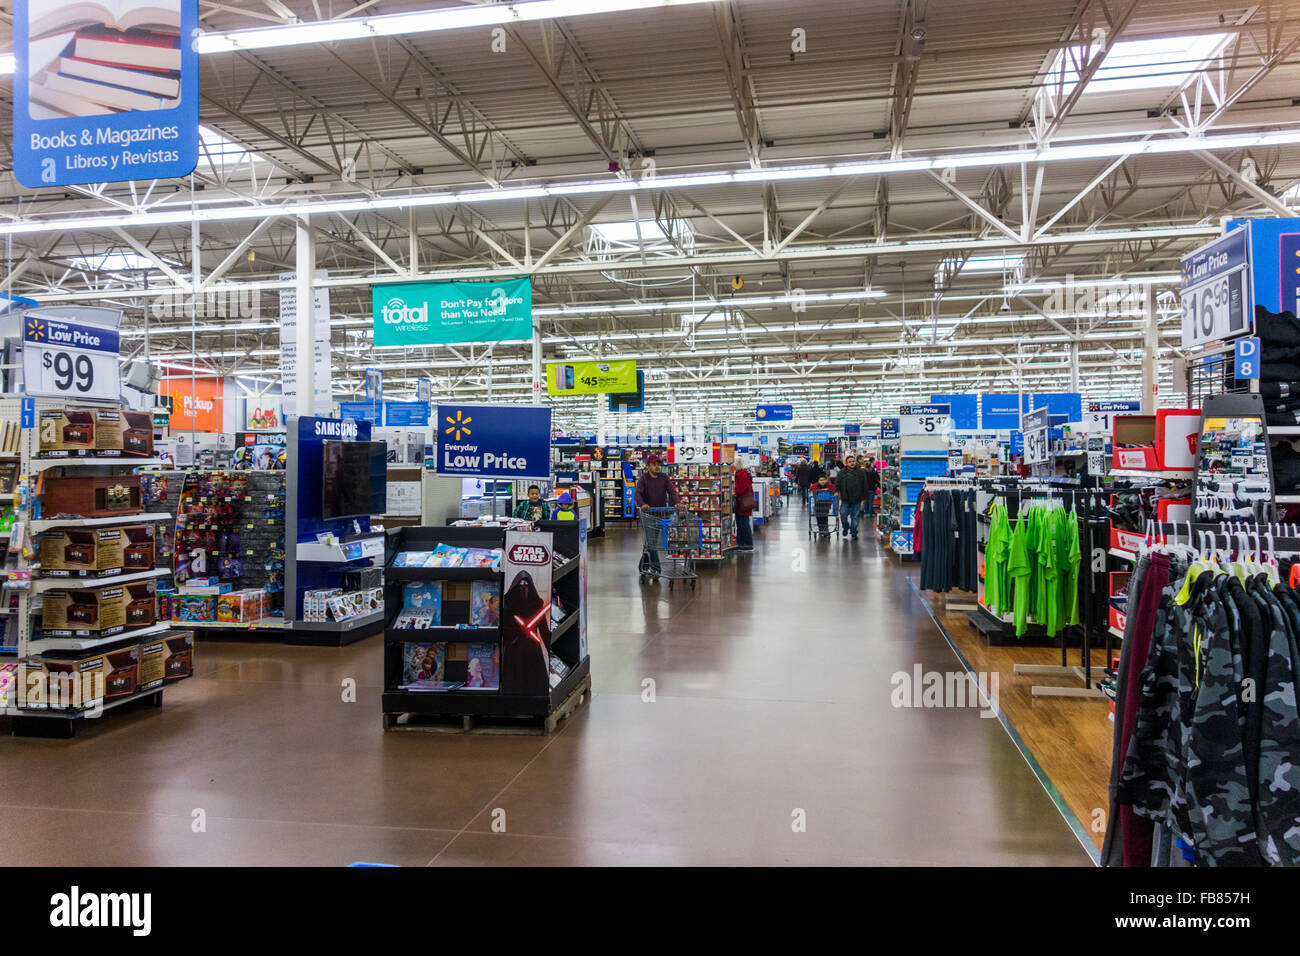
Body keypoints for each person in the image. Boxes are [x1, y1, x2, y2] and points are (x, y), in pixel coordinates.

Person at [634, 454, 680, 574]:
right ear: (648, 466)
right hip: (647, 515)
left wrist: (676, 502)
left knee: (650, 543)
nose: (657, 466)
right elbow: (637, 494)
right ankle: (656, 569)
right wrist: (642, 504)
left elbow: (672, 492)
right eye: (654, 464)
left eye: (658, 464)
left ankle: (643, 565)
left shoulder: (664, 477)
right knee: (652, 543)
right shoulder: (643, 479)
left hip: (661, 514)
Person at [835, 454, 866, 539]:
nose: (852, 463)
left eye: (853, 461)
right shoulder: (842, 472)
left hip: (857, 498)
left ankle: (854, 532)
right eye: (850, 462)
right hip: (845, 498)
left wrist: (864, 497)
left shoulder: (861, 472)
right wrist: (836, 491)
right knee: (843, 514)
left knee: (855, 517)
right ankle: (845, 527)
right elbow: (837, 483)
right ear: (846, 463)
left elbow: (865, 484)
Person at [733, 465, 755, 552]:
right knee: (740, 524)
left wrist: (734, 490)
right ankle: (740, 544)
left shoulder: (741, 475)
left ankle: (748, 544)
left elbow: (740, 490)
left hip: (743, 504)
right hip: (742, 503)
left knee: (743, 524)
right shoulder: (742, 474)